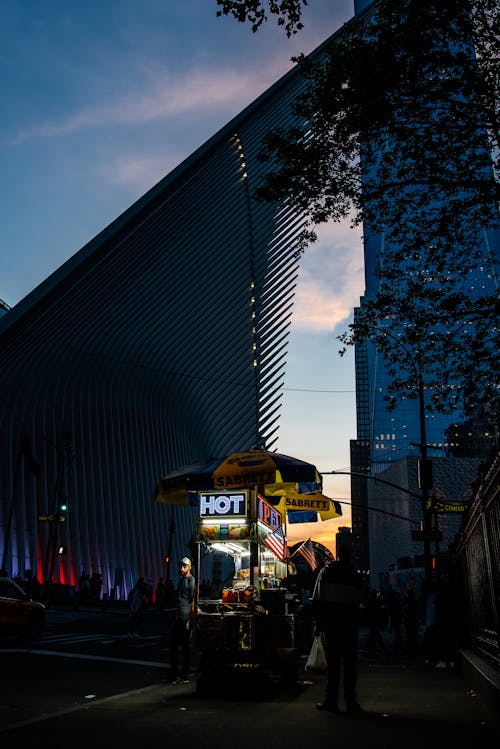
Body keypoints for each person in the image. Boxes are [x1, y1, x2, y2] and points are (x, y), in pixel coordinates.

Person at [312, 545, 367, 714]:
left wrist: (318, 623)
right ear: (350, 556)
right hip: (350, 625)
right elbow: (362, 598)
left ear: (337, 555)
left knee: (333, 664)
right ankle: (351, 702)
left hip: (331, 625)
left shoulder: (326, 573)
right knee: (350, 665)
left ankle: (331, 701)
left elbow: (317, 599)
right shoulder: (355, 576)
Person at [169, 557, 196, 684]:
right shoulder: (181, 580)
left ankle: (183, 675)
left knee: (184, 647)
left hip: (185, 617)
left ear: (189, 567)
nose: (181, 568)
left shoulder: (191, 580)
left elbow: (192, 599)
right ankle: (176, 675)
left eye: (184, 566)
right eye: (180, 566)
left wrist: (191, 617)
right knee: (175, 647)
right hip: (179, 616)